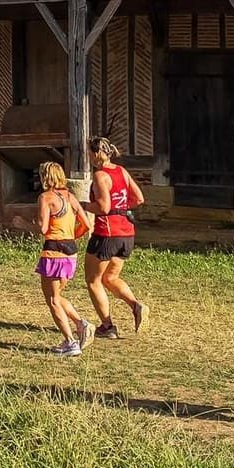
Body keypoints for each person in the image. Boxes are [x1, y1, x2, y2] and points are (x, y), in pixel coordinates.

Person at [83, 136, 147, 338]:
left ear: (96, 154)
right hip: (126, 233)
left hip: (106, 233)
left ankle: (107, 326)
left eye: (89, 153)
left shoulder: (100, 176)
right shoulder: (122, 171)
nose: (89, 157)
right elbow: (139, 198)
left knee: (93, 281)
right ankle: (136, 306)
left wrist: (83, 205)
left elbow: (103, 206)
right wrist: (122, 208)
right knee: (110, 277)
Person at [35, 161, 94, 357]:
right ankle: (80, 324)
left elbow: (43, 229)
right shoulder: (70, 197)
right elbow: (86, 224)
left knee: (52, 300)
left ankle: (70, 342)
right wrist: (71, 236)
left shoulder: (46, 198)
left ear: (45, 177)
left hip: (53, 253)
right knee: (58, 296)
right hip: (71, 252)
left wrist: (23, 222)